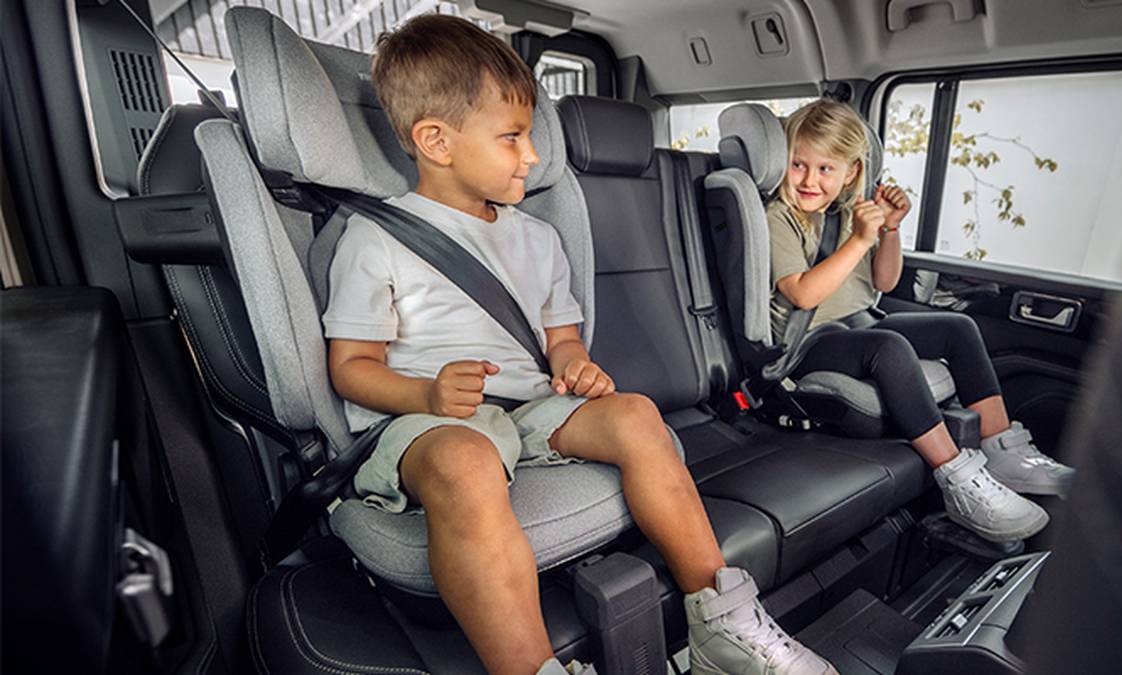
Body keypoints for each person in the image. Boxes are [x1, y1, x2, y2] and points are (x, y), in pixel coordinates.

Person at [322, 14, 838, 675]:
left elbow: (561, 342)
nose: (532, 155)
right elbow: (350, 367)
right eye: (511, 138)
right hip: (426, 419)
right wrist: (425, 391)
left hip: (532, 407)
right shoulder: (376, 239)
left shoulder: (537, 239)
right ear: (435, 141)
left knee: (635, 414)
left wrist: (577, 365)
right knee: (465, 463)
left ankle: (723, 621)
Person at [767, 98, 1075, 543]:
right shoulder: (780, 216)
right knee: (889, 348)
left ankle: (1004, 450)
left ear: (851, 172)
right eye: (798, 165)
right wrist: (858, 239)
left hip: (860, 323)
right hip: (808, 344)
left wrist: (889, 228)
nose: (809, 180)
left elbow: (885, 282)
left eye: (825, 169)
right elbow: (803, 292)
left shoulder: (847, 215)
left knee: (958, 328)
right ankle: (958, 479)